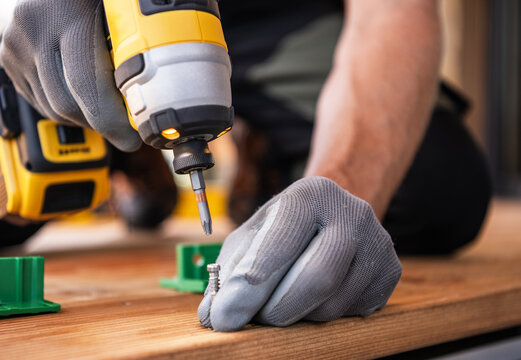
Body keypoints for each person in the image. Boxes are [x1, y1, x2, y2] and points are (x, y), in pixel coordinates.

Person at [0, 0, 491, 332]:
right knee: (20, 186)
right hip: (90, 18)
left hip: (276, 19)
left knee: (435, 184)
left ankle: (264, 156)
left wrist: (335, 190)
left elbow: (393, 14)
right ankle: (134, 163)